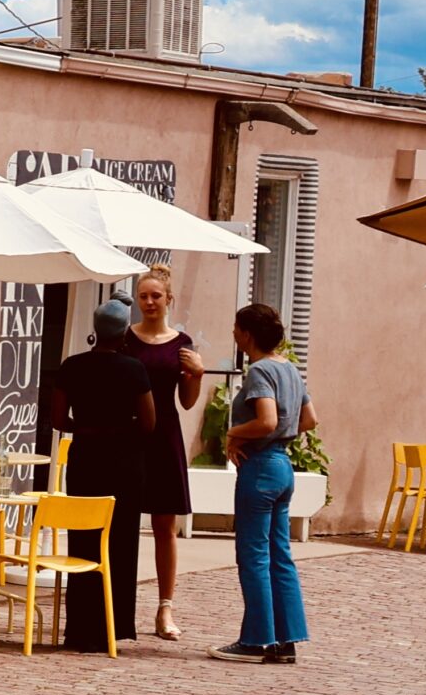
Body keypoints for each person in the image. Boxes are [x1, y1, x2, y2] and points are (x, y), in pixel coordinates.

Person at [43, 298, 156, 653]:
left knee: (84, 542)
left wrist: (87, 428)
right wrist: (120, 430)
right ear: (124, 332)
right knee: (120, 545)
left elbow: (59, 420)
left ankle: (80, 629)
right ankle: (114, 625)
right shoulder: (135, 369)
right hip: (124, 463)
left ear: (95, 330)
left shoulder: (72, 366)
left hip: (86, 460)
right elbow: (149, 422)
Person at [215, 303, 313, 665]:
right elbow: (310, 419)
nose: (233, 334)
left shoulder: (259, 370)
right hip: (284, 465)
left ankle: (256, 640)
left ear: (247, 335)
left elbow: (267, 420)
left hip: (260, 468)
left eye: (236, 328)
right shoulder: (290, 368)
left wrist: (234, 434)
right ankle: (285, 640)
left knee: (253, 556)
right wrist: (279, 436)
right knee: (279, 555)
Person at [127, 265, 203, 641]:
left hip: (165, 436)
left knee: (164, 526)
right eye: (143, 296)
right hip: (129, 435)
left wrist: (197, 376)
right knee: (123, 521)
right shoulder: (126, 339)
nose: (150, 302)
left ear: (169, 299)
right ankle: (119, 603)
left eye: (156, 296)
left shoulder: (182, 343)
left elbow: (187, 403)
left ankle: (165, 607)